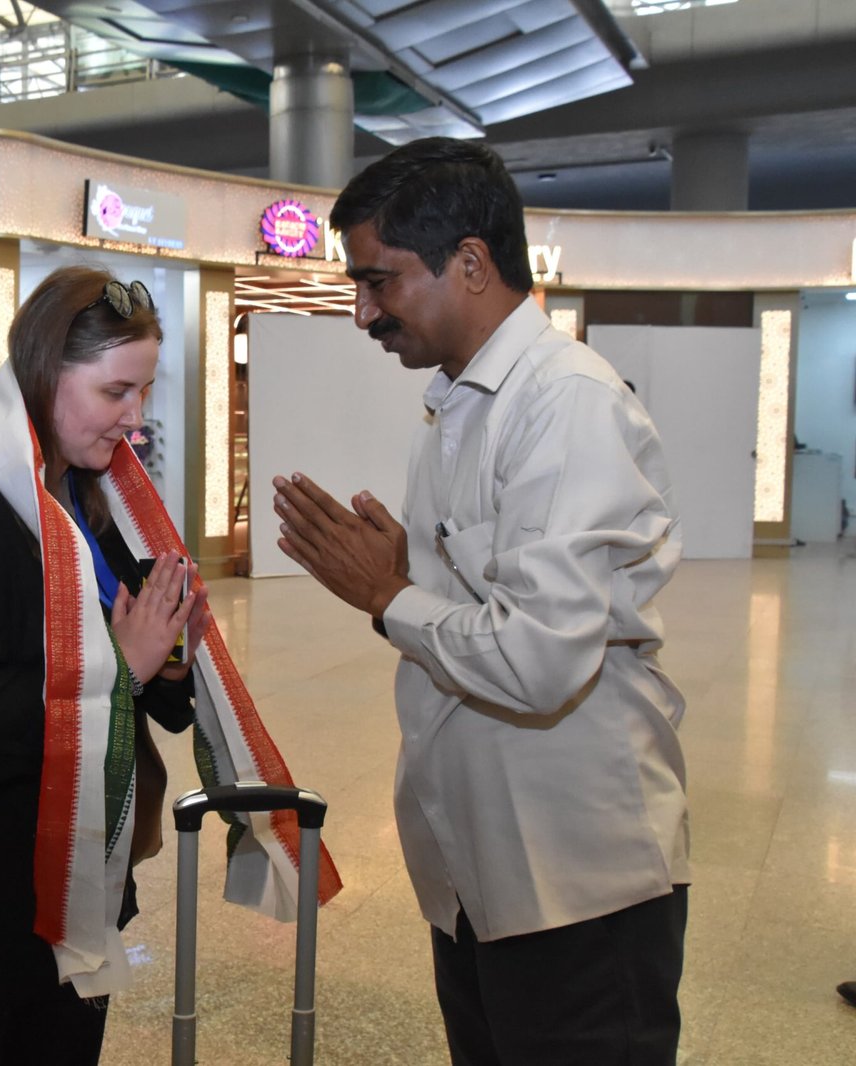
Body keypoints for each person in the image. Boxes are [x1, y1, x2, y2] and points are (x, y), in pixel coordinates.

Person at [0, 265, 339, 1064]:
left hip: (53, 901)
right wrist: (126, 662)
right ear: (45, 370)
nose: (134, 419)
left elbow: (154, 699)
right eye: (115, 391)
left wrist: (164, 659)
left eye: (144, 393)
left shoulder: (92, 497)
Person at [272, 137, 689, 1065]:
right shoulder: (460, 402)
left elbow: (539, 661)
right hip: (482, 878)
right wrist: (405, 588)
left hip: (577, 884)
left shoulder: (567, 405)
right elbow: (470, 614)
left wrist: (390, 598)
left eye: (380, 282)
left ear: (470, 262)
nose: (361, 312)